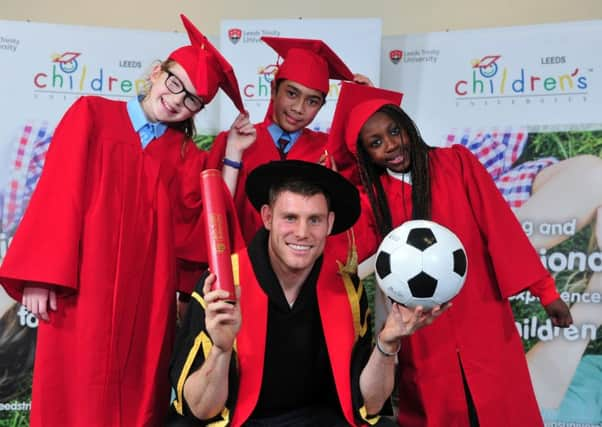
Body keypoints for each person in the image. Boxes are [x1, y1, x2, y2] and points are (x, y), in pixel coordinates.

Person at [0, 14, 255, 427]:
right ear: (157, 73)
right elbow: (57, 193)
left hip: (146, 299)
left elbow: (206, 220)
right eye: (175, 84)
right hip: (82, 292)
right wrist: (38, 275)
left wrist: (234, 155)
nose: (177, 101)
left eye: (192, 100)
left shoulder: (182, 156)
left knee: (136, 394)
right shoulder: (92, 116)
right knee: (73, 391)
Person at [327, 82, 574, 427]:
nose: (392, 145)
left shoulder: (456, 164)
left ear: (408, 127)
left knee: (503, 405)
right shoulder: (374, 201)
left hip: (482, 317)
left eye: (394, 131)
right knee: (439, 408)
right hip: (426, 333)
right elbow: (342, 248)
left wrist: (547, 293)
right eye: (376, 143)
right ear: (366, 155)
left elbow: (500, 227)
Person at [168, 160, 447, 426]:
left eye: (314, 220)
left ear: (329, 223)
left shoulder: (346, 287)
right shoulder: (223, 284)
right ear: (267, 217)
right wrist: (221, 350)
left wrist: (388, 343)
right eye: (290, 218)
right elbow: (202, 410)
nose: (302, 233)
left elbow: (369, 405)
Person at [207, 36, 370, 242]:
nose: (299, 109)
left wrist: (368, 102)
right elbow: (213, 216)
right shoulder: (233, 141)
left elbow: (363, 203)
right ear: (274, 89)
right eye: (292, 94)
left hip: (306, 265)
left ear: (321, 106)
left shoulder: (329, 150)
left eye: (312, 101)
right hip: (242, 265)